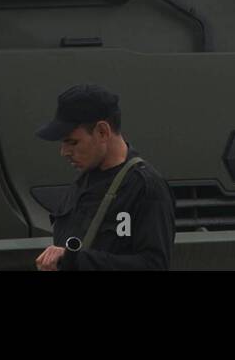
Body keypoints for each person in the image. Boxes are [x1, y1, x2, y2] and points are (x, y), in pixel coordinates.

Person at [34, 84, 175, 271]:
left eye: (73, 142)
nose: (64, 152)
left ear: (102, 131)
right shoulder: (83, 180)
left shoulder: (145, 187)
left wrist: (77, 260)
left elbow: (154, 264)